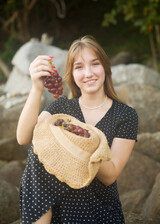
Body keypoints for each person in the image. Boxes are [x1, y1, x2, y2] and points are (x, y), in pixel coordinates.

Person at [17, 35, 138, 224]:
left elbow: (110, 175)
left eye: (95, 64)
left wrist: (80, 144)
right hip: (57, 207)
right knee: (38, 150)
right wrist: (36, 89)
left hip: (95, 208)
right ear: (71, 74)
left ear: (105, 67)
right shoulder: (61, 108)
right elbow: (24, 137)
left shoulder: (125, 115)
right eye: (79, 67)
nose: (88, 73)